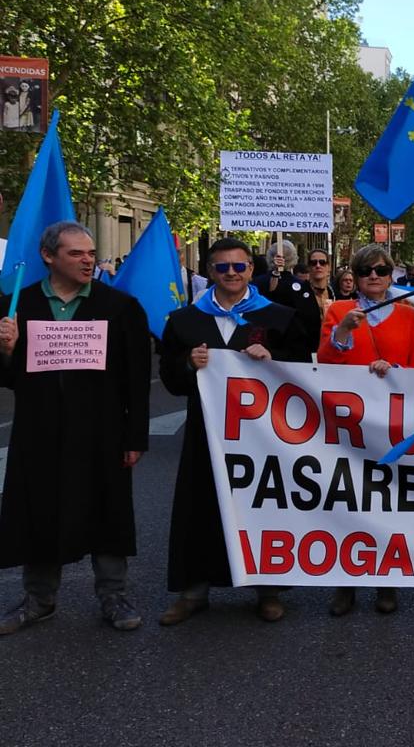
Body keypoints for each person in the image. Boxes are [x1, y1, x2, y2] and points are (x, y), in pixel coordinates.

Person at [0, 222, 151, 635]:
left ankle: (113, 595)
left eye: (90, 253)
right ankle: (39, 599)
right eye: (76, 254)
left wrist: (135, 436)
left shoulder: (119, 306)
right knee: (39, 508)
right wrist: (8, 351)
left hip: (101, 430)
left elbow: (135, 380)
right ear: (49, 257)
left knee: (108, 510)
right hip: (39, 429)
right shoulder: (18, 304)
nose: (88, 261)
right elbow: (9, 377)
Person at [158, 238, 309, 625]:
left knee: (262, 504)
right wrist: (188, 363)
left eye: (239, 267)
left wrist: (273, 359)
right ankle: (194, 591)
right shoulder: (185, 320)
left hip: (262, 434)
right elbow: (171, 380)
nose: (231, 274)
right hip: (205, 432)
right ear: (210, 272)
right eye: (222, 268)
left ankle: (268, 589)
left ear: (250, 269)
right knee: (199, 505)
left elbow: (304, 369)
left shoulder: (277, 315)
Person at [318, 245, 414, 616]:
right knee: (347, 500)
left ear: (391, 276)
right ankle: (345, 583)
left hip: (391, 422)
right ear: (355, 274)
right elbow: (324, 361)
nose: (374, 276)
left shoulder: (409, 316)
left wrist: (395, 369)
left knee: (387, 500)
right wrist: (343, 334)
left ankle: (387, 580)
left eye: (382, 271)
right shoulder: (338, 311)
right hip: (349, 425)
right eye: (366, 270)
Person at [253, 239, 322, 354]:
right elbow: (312, 322)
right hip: (293, 350)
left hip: (259, 348)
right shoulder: (301, 286)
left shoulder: (256, 283)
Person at [305, 247, 336, 317]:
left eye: (322, 262)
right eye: (313, 263)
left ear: (329, 267)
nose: (318, 265)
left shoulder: (334, 293)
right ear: (308, 267)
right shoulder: (300, 292)